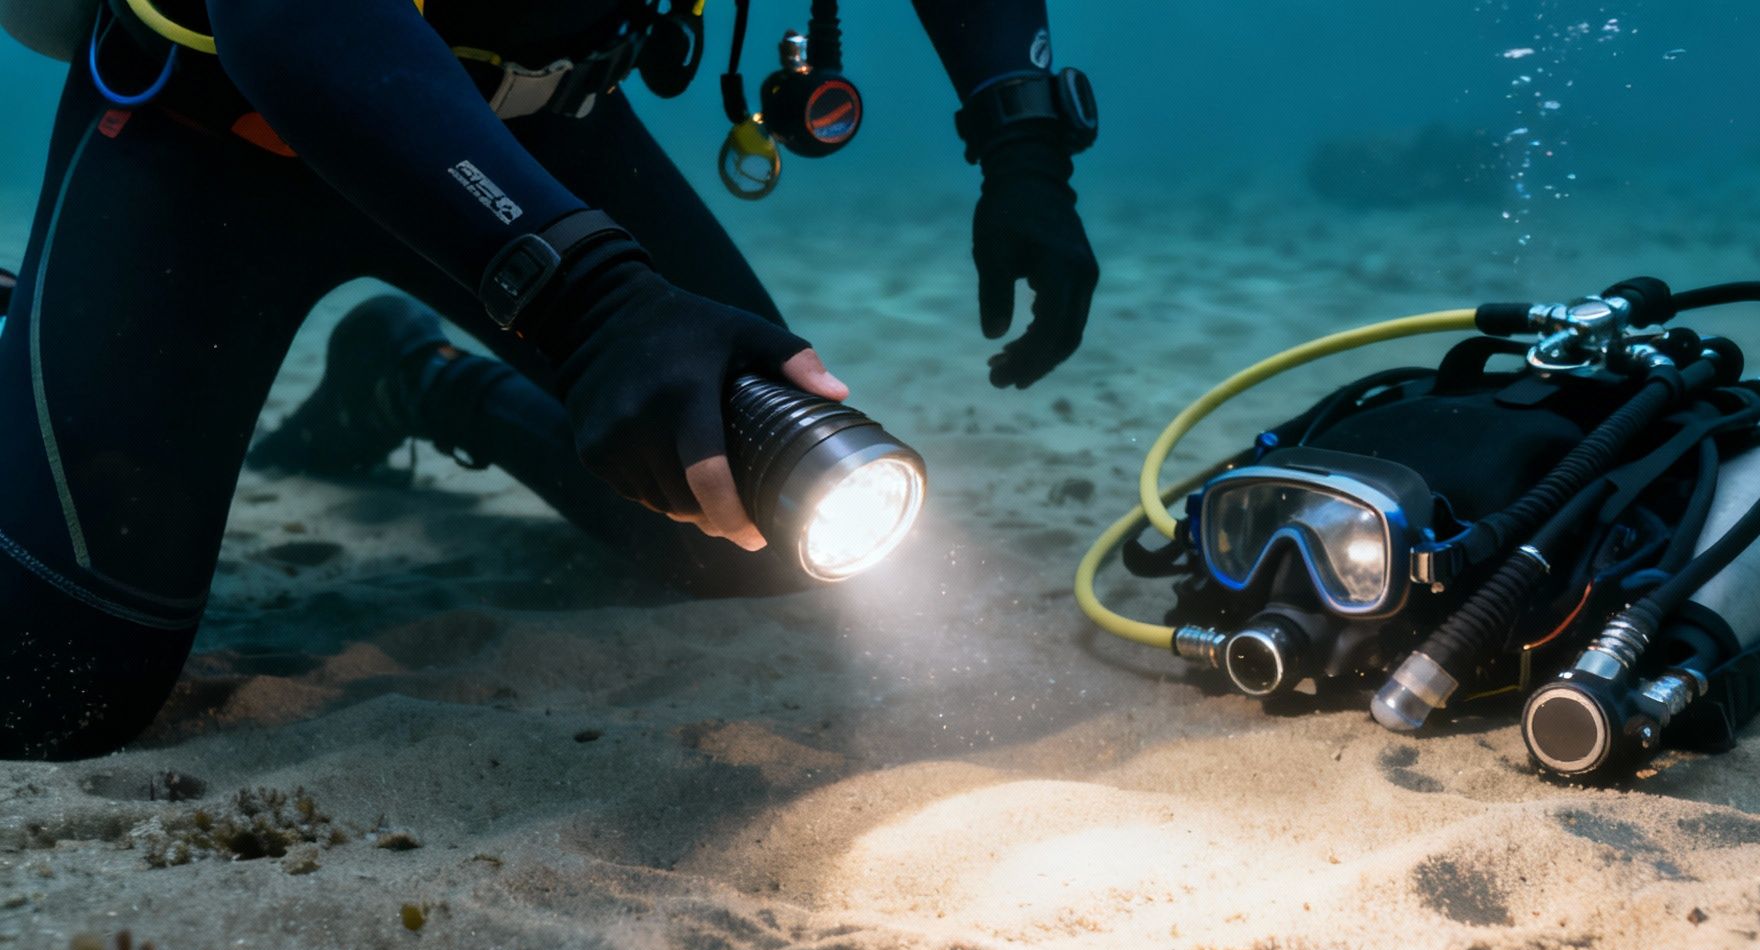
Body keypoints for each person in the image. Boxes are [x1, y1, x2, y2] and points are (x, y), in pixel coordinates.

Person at [0, 0, 1100, 760]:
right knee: (56, 687)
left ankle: (419, 382)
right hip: (215, 137)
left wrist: (1021, 138)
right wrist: (605, 307)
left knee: (746, 516)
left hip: (538, 133)